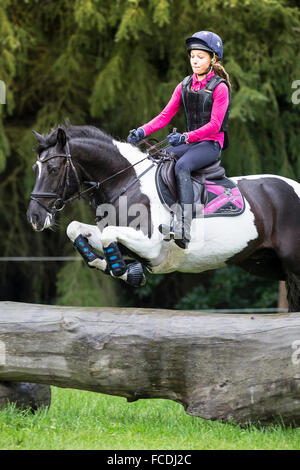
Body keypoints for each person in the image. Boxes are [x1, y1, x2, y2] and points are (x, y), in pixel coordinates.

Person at [127, 31, 231, 249]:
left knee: (182, 166)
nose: (195, 60)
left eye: (200, 57)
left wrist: (185, 136)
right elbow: (165, 116)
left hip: (210, 144)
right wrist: (141, 131)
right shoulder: (184, 85)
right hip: (191, 142)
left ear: (213, 59)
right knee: (160, 160)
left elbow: (214, 125)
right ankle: (164, 215)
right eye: (192, 56)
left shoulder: (220, 88)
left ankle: (183, 227)